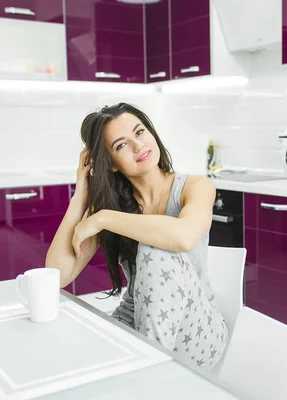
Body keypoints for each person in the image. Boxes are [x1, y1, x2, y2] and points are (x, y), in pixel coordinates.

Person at [45, 103, 228, 369]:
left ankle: (150, 375)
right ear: (112, 164)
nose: (138, 145)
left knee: (156, 247)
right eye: (121, 145)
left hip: (199, 330)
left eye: (140, 132)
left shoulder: (196, 187)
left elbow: (184, 237)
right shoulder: (111, 206)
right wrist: (81, 194)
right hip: (136, 322)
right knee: (74, 362)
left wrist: (103, 219)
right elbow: (57, 275)